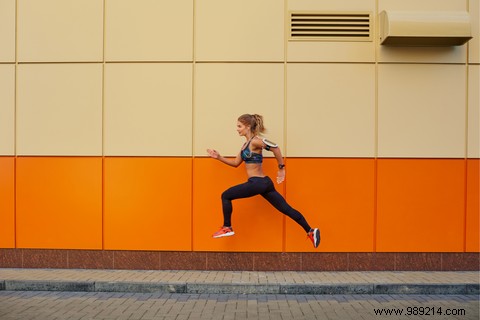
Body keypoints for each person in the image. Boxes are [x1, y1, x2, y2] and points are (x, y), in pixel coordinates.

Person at [207, 114, 320, 248]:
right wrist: (219, 157)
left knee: (226, 195)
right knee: (286, 209)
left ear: (248, 127)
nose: (237, 129)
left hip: (257, 183)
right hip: (264, 184)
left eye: (239, 126)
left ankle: (227, 227)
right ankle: (310, 230)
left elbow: (275, 148)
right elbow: (236, 163)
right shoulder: (245, 145)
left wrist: (281, 168)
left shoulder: (256, 141)